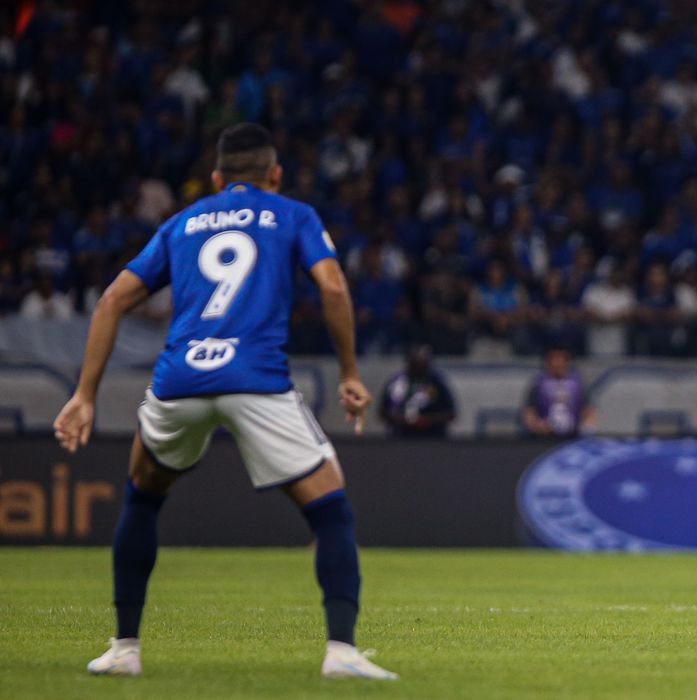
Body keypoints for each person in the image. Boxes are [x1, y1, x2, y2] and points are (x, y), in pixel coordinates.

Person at [51, 124, 397, 680]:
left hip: (180, 380)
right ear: (275, 175)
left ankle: (124, 649)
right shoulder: (293, 214)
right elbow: (332, 288)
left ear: (215, 179)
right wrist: (350, 373)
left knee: (142, 499)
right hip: (255, 379)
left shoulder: (181, 223)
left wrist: (84, 395)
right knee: (331, 510)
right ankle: (342, 653)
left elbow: (113, 299)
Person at [380, 344, 456, 437]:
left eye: (422, 364)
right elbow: (383, 411)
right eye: (415, 364)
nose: (418, 368)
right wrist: (401, 419)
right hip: (400, 436)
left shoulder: (436, 383)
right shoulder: (397, 382)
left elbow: (450, 413)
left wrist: (425, 420)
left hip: (432, 437)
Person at [522, 345, 596, 437]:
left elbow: (589, 412)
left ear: (567, 362)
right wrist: (537, 425)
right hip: (543, 437)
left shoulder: (578, 384)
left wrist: (585, 427)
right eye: (553, 359)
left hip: (573, 437)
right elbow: (529, 413)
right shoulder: (538, 384)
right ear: (547, 362)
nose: (557, 364)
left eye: (560, 359)